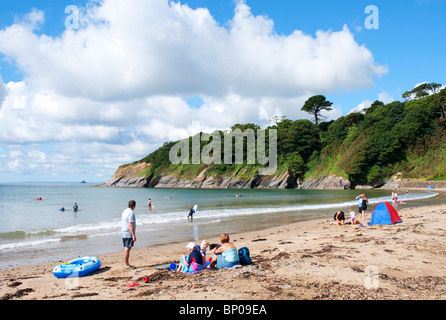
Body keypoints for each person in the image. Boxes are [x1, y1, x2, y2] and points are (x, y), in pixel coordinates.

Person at [121, 200, 137, 269]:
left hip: (123, 232)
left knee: (126, 248)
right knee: (127, 248)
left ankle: (126, 264)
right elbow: (130, 225)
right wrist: (133, 235)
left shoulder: (124, 211)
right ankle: (126, 264)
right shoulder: (131, 213)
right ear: (134, 206)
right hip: (128, 233)